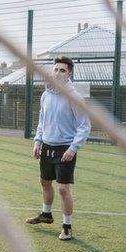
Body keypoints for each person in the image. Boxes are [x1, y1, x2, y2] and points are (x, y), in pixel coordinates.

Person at [25, 56, 91, 241]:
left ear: (69, 73)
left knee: (63, 189)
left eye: (62, 70)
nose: (58, 73)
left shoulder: (74, 97)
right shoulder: (46, 95)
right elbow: (42, 121)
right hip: (46, 146)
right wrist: (38, 141)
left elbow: (84, 126)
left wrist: (73, 148)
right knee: (45, 183)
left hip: (65, 149)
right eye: (55, 69)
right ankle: (46, 215)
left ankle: (67, 227)